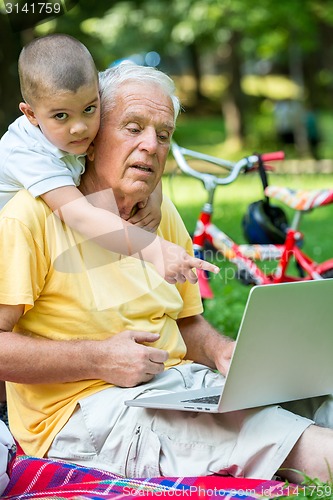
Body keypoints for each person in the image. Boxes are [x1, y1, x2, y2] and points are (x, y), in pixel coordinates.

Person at [0, 62, 333, 484]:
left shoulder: (159, 215)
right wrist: (98, 358)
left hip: (180, 388)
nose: (151, 146)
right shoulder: (28, 218)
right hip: (85, 414)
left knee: (318, 392)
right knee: (284, 439)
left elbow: (186, 321)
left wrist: (221, 352)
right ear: (93, 133)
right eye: (133, 127)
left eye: (163, 134)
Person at [0, 33, 218, 285]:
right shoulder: (28, 153)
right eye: (61, 116)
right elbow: (80, 215)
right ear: (31, 114)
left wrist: (154, 198)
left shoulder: (66, 132)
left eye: (90, 109)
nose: (80, 127)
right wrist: (154, 249)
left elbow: (144, 153)